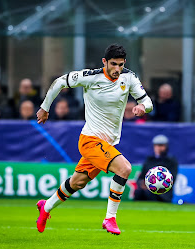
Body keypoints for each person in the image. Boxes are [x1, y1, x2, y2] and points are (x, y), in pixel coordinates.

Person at [35, 44, 153, 235]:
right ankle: (110, 219)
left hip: (107, 144)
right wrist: (45, 107)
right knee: (124, 168)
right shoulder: (90, 77)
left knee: (77, 182)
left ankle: (46, 207)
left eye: (121, 65)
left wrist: (142, 108)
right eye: (113, 64)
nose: (117, 69)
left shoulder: (129, 77)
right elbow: (59, 82)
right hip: (90, 139)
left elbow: (148, 101)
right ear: (104, 62)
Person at [134, 134, 178, 203]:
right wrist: (142, 183)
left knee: (151, 194)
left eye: (161, 145)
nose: (158, 148)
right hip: (147, 190)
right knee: (139, 193)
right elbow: (141, 177)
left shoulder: (171, 161)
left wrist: (156, 184)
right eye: (156, 145)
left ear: (166, 147)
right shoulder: (149, 160)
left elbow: (173, 178)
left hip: (163, 193)